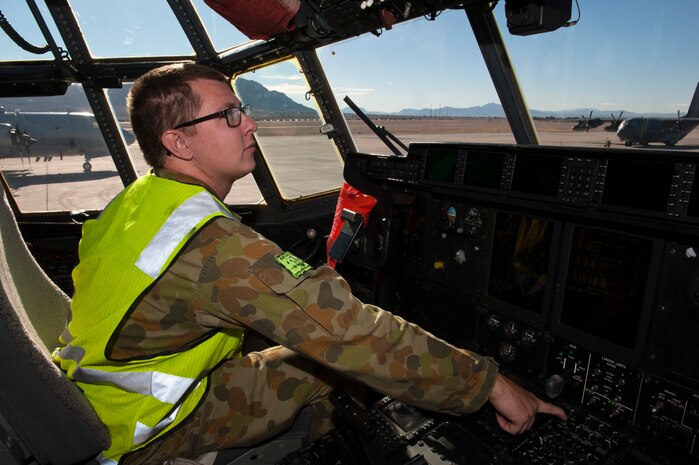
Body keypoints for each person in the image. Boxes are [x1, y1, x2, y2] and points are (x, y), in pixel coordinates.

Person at [53, 63, 566, 465]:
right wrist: (490, 385)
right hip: (150, 432)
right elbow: (352, 334)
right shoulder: (209, 243)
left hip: (100, 403)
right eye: (228, 115)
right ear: (178, 142)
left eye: (243, 109)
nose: (249, 123)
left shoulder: (139, 202)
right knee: (343, 365)